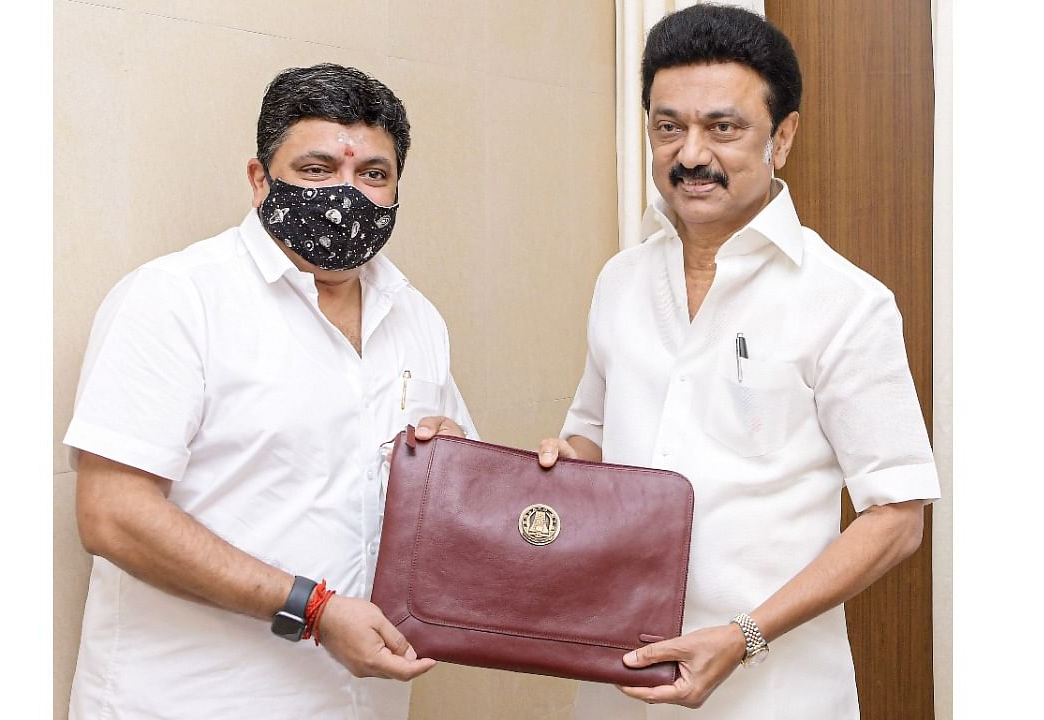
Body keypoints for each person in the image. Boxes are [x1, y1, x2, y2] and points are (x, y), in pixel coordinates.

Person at [536, 6, 940, 718]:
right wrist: (557, 464)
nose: (691, 154)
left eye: (723, 128)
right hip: (615, 681)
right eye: (669, 127)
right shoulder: (619, 281)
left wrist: (743, 636)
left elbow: (898, 515)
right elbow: (591, 436)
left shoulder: (845, 302)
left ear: (782, 137)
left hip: (774, 691)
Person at [63, 63, 475, 720]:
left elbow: (452, 506)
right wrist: (312, 610)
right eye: (316, 170)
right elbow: (113, 512)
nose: (347, 194)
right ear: (260, 180)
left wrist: (453, 470)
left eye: (373, 174)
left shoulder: (417, 317)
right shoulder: (176, 299)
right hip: (188, 702)